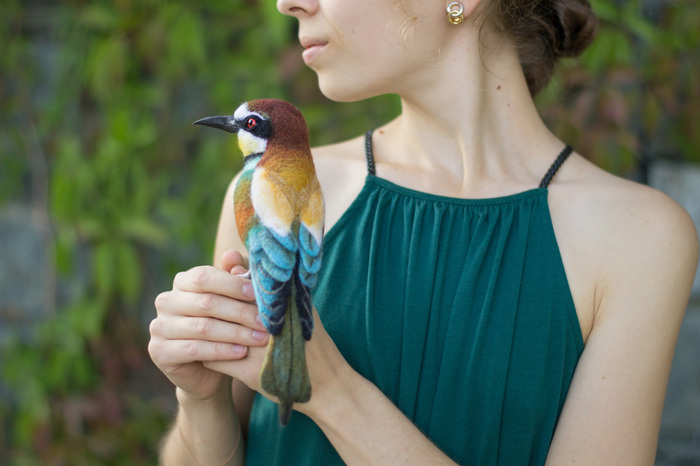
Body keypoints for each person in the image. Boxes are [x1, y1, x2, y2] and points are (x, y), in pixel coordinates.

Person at [148, 0, 700, 464]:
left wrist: (334, 393)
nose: (286, 2)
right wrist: (202, 401)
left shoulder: (638, 240)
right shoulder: (282, 199)